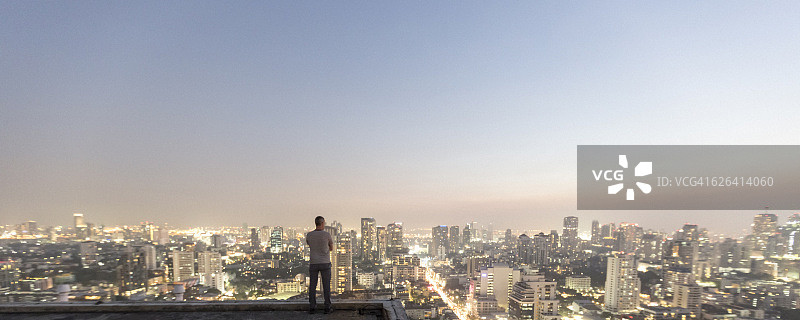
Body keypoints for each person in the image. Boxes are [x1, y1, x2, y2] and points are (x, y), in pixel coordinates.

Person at [306, 215, 334, 314]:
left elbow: (309, 245)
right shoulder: (327, 235)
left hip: (313, 263)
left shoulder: (309, 235)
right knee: (326, 286)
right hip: (325, 263)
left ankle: (312, 307)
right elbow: (331, 248)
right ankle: (327, 307)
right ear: (322, 223)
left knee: (312, 286)